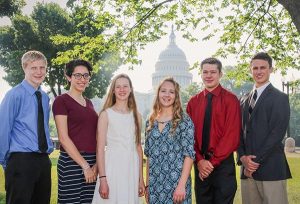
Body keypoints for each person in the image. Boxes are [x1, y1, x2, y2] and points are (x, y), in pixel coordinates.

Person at [237, 52, 292, 204]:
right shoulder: (243, 99)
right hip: (247, 172)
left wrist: (253, 163)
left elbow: (277, 134)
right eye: (255, 68)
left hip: (271, 169)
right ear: (250, 70)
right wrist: (242, 157)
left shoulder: (280, 98)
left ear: (271, 70)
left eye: (263, 68)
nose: (259, 71)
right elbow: (238, 132)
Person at [0, 50, 54, 204]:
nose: (39, 72)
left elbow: (42, 127)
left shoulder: (44, 97)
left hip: (43, 161)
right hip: (21, 160)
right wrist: (6, 161)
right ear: (25, 68)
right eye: (34, 68)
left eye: (42, 68)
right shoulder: (14, 95)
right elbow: (3, 129)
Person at [186, 57, 241, 204]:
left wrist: (211, 163)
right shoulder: (193, 103)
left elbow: (232, 136)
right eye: (205, 72)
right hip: (200, 166)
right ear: (201, 74)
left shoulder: (231, 100)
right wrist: (199, 161)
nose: (208, 75)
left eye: (213, 72)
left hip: (223, 166)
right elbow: (188, 137)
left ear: (220, 74)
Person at [92, 73, 145, 204]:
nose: (122, 90)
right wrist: (103, 178)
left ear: (131, 89)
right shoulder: (105, 114)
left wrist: (140, 180)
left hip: (131, 169)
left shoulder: (137, 116)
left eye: (125, 86)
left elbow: (138, 149)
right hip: (112, 168)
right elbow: (100, 149)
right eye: (118, 87)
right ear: (113, 90)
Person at [52, 59, 98, 203]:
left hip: (92, 162)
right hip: (72, 162)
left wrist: (96, 165)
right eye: (77, 75)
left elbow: (95, 136)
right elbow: (63, 138)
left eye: (86, 75)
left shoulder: (89, 103)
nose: (82, 79)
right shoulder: (61, 101)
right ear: (68, 77)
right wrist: (85, 166)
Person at [144, 77, 195, 204]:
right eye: (163, 91)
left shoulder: (184, 120)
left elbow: (189, 155)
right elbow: (149, 156)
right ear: (158, 93)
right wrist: (148, 185)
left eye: (171, 92)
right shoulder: (150, 121)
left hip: (177, 183)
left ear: (176, 96)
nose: (167, 95)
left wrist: (181, 185)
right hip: (155, 184)